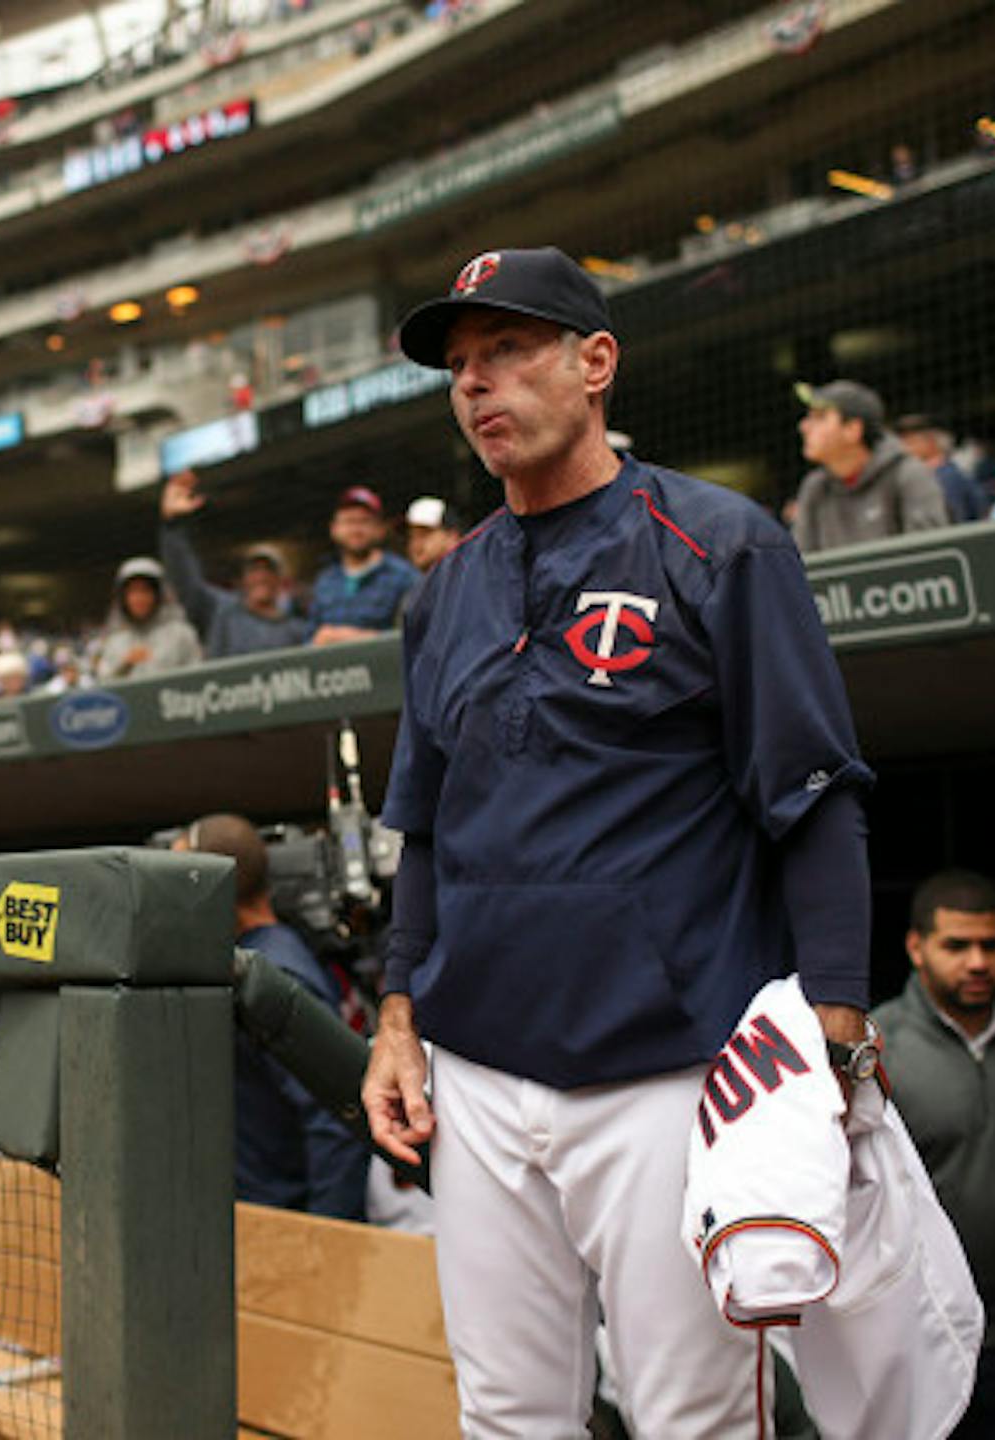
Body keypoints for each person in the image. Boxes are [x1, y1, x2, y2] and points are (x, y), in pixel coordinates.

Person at [362, 246, 877, 1436]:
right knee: (506, 1416)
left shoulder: (719, 543)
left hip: (675, 1069)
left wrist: (838, 1035)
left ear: (595, 363)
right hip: (479, 1073)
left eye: (509, 351)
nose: (478, 385)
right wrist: (397, 1014)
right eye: (460, 366)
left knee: (693, 1418)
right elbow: (426, 831)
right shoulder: (443, 594)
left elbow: (815, 796)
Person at [870, 870, 995, 1438]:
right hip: (906, 1337)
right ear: (917, 947)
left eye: (992, 945)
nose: (978, 962)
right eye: (957, 946)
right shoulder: (874, 1050)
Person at [176, 813, 369, 1219]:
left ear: (213, 887)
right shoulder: (260, 959)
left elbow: (336, 1124)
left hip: (288, 1226)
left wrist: (323, 1244)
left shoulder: (274, 974)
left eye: (180, 883)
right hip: (261, 1219)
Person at [157, 470, 310, 657]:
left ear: (280, 582)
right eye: (254, 571)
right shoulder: (221, 612)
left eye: (268, 571)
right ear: (243, 580)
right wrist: (173, 525)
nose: (261, 576)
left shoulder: (298, 629)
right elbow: (185, 581)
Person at [790, 378, 950, 551]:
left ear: (852, 429)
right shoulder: (815, 488)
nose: (804, 426)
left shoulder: (908, 474)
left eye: (819, 417)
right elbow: (799, 565)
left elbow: (931, 560)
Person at [309, 486, 420, 643]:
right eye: (349, 521)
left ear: (380, 529)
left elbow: (414, 638)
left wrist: (351, 638)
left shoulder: (404, 577)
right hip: (333, 667)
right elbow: (309, 639)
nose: (356, 529)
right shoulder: (324, 581)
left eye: (364, 521)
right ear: (334, 529)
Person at [91, 557, 202, 682]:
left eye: (145, 590)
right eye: (132, 592)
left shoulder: (181, 635)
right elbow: (103, 686)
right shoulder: (115, 642)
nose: (139, 598)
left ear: (159, 595)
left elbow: (197, 679)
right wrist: (125, 665)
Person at [894, 414, 989, 523]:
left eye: (911, 443)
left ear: (931, 442)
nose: (904, 449)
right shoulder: (915, 476)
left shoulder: (949, 477)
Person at [404, 495, 466, 573]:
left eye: (424, 534)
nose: (416, 543)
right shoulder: (409, 580)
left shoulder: (469, 575)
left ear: (452, 537)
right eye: (411, 535)